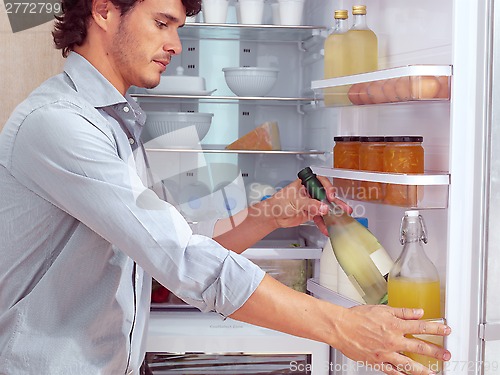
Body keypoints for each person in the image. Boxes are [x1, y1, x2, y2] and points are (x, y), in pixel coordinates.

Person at [0, 0, 452, 373]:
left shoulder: (112, 122)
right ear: (103, 11)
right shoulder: (60, 125)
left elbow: (171, 238)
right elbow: (180, 257)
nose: (175, 44)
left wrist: (272, 211)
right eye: (162, 23)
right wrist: (342, 327)